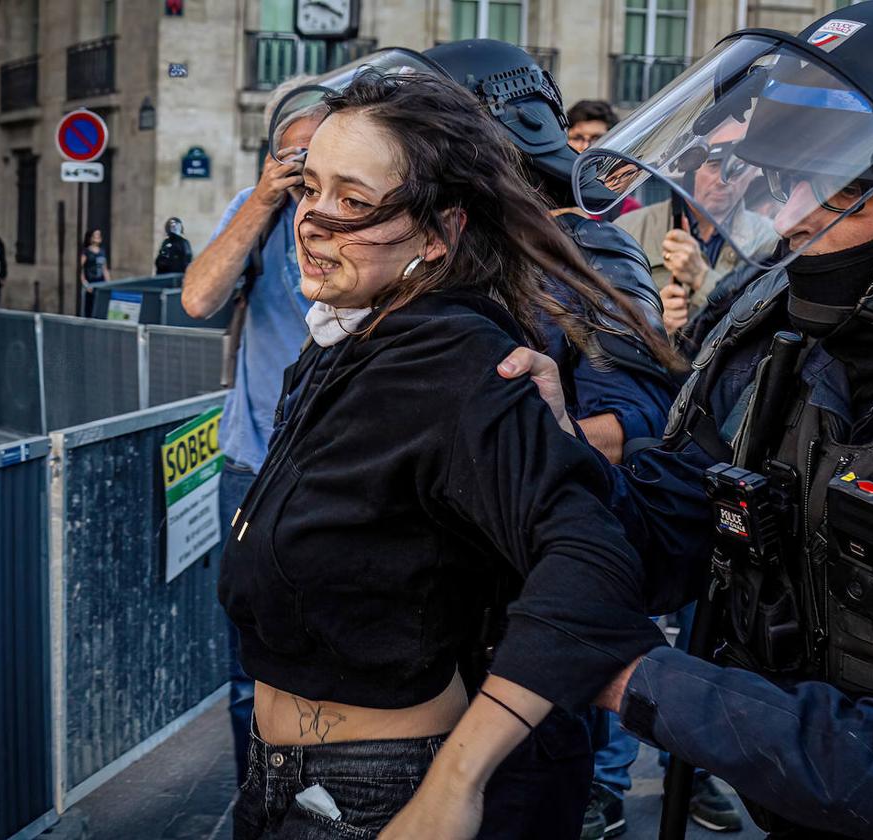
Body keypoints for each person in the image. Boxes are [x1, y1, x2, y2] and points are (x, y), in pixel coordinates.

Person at [394, 2, 873, 837]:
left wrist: (629, 677)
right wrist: (542, 447)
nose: (789, 216)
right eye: (780, 178)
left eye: (832, 185)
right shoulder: (778, 343)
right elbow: (675, 516)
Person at [220, 69, 677, 840]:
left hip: (375, 797)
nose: (314, 222)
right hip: (285, 784)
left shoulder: (459, 360)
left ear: (439, 233)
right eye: (310, 189)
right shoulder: (348, 337)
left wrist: (456, 783)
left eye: (355, 202)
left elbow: (595, 563)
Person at [421, 40, 687, 839]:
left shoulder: (586, 246)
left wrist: (536, 433)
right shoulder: (442, 251)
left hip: (520, 615)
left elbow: (647, 421)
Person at [181, 73, 320, 786]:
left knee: (330, 660)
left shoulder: (366, 218)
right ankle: (256, 808)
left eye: (322, 154)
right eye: (294, 159)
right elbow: (200, 297)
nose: (309, 174)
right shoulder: (257, 209)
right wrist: (266, 199)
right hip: (252, 469)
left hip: (337, 475)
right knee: (249, 675)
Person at [613, 121, 779, 333]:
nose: (723, 180)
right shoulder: (630, 229)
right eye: (714, 165)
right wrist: (648, 322)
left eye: (736, 168)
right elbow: (597, 318)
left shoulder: (770, 240)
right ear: (690, 167)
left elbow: (763, 326)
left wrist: (702, 277)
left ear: (753, 172)